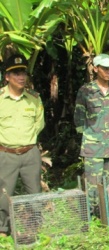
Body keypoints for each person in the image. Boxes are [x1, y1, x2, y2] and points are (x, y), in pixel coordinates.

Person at [74, 53, 109, 216]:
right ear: (95, 69)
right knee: (92, 184)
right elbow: (79, 118)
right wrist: (89, 137)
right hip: (93, 147)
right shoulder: (86, 91)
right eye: (105, 68)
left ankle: (106, 215)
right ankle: (89, 217)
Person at [0, 54, 45, 236]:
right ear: (7, 77)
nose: (21, 77)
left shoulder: (34, 99)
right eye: (16, 73)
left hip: (29, 154)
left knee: (34, 193)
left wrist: (27, 140)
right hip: (6, 154)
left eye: (23, 73)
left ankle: (34, 230)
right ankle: (2, 230)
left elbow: (39, 123)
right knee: (3, 195)